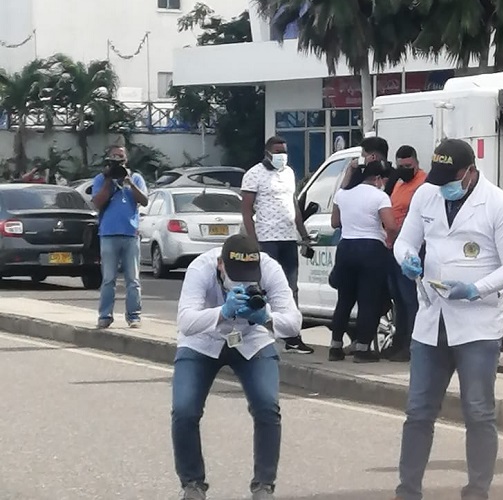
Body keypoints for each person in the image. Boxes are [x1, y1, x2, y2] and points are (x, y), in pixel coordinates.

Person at [392, 139, 503, 500]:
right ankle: (407, 491)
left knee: (478, 412)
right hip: (431, 319)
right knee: (418, 411)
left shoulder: (500, 205)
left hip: (477, 324)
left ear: (469, 171)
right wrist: (407, 259)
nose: (443, 187)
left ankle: (477, 490)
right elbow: (403, 241)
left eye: (450, 178)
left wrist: (475, 288)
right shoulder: (427, 195)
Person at [171, 233, 302, 500]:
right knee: (184, 409)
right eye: (236, 275)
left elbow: (293, 322)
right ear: (221, 265)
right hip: (203, 341)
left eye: (248, 275)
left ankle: (264, 485)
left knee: (267, 405)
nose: (242, 281)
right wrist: (222, 312)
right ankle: (192, 484)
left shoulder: (270, 269)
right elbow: (186, 320)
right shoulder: (200, 268)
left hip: (251, 339)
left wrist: (265, 317)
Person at [241, 135, 314, 354]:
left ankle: (293, 336)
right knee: (264, 288)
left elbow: (294, 206)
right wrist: (253, 241)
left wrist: (303, 233)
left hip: (287, 238)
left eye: (284, 151)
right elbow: (246, 210)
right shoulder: (253, 174)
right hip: (266, 239)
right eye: (278, 152)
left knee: (291, 289)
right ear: (267, 153)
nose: (282, 156)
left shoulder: (289, 173)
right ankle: (260, 333)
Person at [328, 158, 399, 363]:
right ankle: (362, 349)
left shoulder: (343, 194)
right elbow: (391, 226)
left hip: (346, 248)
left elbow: (335, 222)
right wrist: (389, 242)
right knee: (368, 301)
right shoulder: (380, 197)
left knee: (344, 300)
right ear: (377, 178)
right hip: (371, 249)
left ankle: (335, 347)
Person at [90, 144, 148, 329]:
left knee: (133, 279)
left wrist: (129, 183)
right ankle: (105, 316)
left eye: (121, 157)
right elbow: (97, 203)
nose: (118, 160)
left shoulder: (136, 178)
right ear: (109, 159)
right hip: (108, 234)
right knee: (108, 279)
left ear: (126, 160)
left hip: (130, 234)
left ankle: (134, 316)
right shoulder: (101, 179)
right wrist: (109, 181)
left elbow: (145, 201)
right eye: (114, 157)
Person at [382, 145, 427, 362]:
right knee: (398, 298)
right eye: (400, 166)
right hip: (394, 246)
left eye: (408, 166)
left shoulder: (424, 184)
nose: (404, 170)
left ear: (416, 163)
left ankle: (411, 345)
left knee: (410, 299)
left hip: (414, 247)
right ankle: (398, 342)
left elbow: (414, 217)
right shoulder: (399, 183)